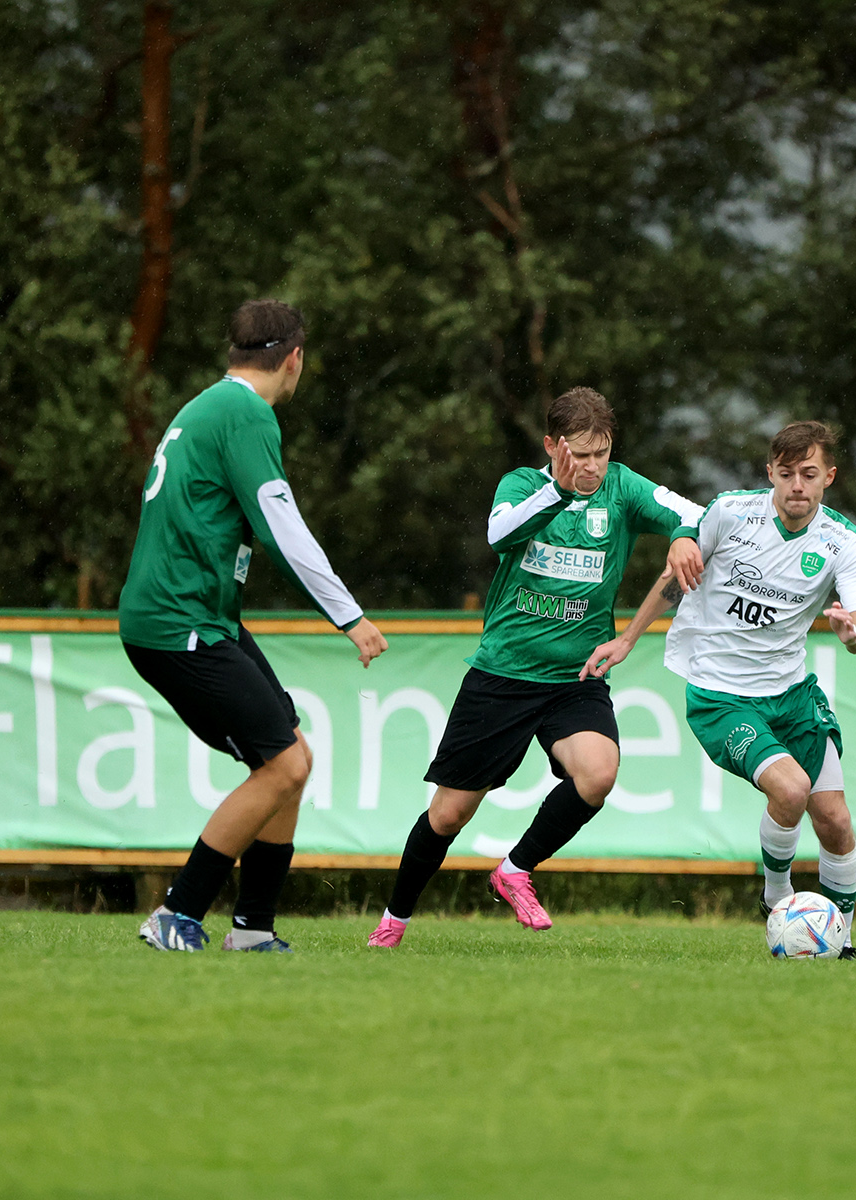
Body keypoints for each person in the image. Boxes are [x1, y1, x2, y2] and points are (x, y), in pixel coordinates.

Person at [367, 387, 704, 946]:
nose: (590, 467)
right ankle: (395, 918)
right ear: (551, 446)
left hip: (576, 678)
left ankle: (515, 868)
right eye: (577, 454)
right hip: (503, 674)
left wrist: (684, 536)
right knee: (448, 817)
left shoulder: (623, 487)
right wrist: (559, 490)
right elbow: (500, 534)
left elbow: (695, 512)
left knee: (598, 772)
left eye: (599, 453)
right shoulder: (523, 486)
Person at [121, 299, 388, 953]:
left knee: (291, 757)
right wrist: (348, 616)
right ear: (293, 358)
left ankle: (253, 930)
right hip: (178, 623)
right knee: (282, 766)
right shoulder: (246, 413)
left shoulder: (210, 406)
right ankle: (176, 914)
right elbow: (282, 525)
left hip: (201, 617)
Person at [591, 420, 856, 958]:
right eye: (786, 473)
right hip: (720, 695)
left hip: (791, 695)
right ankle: (776, 902)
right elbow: (676, 576)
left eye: (808, 474)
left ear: (828, 478)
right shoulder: (730, 513)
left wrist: (853, 634)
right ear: (770, 473)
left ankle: (840, 941)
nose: (796, 485)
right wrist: (628, 639)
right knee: (789, 790)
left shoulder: (843, 543)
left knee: (835, 820)